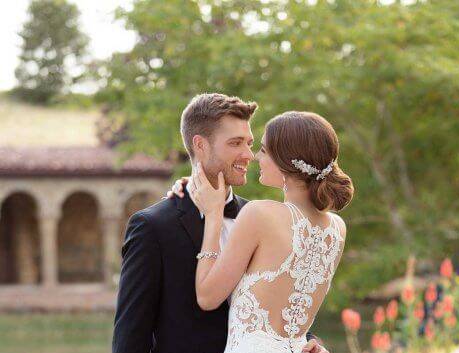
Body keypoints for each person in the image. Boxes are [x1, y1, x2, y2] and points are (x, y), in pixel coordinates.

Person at [112, 94, 328, 353]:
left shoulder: (262, 218)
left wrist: (307, 343)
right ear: (200, 145)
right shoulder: (153, 227)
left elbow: (280, 305)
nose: (248, 155)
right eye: (235, 143)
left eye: (249, 143)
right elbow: (130, 337)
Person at [170, 110, 354, 353]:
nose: (256, 157)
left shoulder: (259, 214)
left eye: (264, 150)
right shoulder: (336, 229)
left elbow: (207, 297)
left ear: (287, 161)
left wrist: (213, 214)